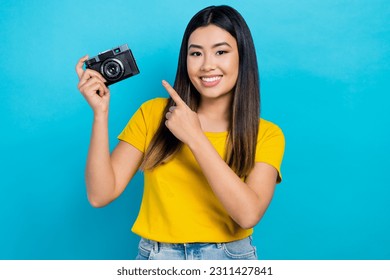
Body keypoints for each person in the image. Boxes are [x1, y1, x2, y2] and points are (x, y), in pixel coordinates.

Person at [75, 5, 285, 260]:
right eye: (196, 53)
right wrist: (100, 114)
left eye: (221, 51)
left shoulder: (266, 134)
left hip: (230, 259)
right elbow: (100, 195)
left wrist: (195, 138)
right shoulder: (153, 115)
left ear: (242, 57)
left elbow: (248, 214)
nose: (207, 65)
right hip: (157, 258)